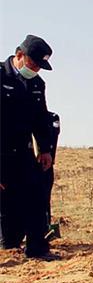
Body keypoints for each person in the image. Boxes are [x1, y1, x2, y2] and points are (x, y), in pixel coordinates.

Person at [0, 35, 59, 260]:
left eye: (39, 67)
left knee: (36, 194)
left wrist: (44, 149)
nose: (35, 70)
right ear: (19, 55)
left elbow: (40, 119)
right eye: (33, 64)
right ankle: (9, 251)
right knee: (6, 205)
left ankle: (37, 249)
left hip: (22, 152)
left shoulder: (36, 84)